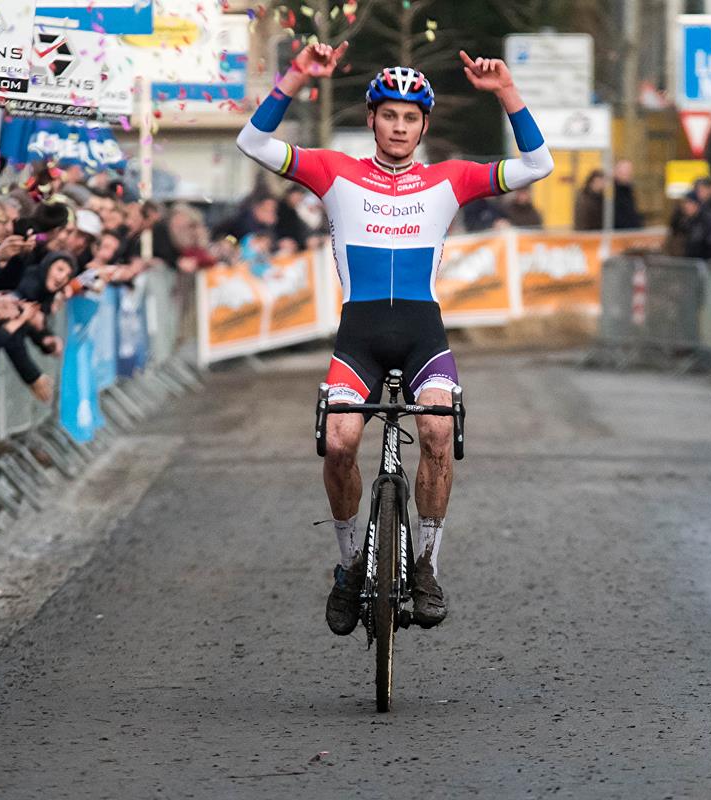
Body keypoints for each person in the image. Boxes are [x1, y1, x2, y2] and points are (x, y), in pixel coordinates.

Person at [236, 42, 553, 634]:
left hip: (421, 335)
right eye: (389, 115)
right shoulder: (335, 171)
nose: (399, 126)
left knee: (436, 430)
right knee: (338, 442)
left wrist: (507, 91)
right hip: (358, 335)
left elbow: (538, 166)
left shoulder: (450, 179)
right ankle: (350, 565)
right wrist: (297, 75)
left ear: (423, 125)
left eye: (411, 117)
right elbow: (251, 143)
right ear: (372, 119)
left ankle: (427, 566)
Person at [612, 159, 643, 229]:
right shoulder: (610, 192)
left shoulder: (628, 189)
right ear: (615, 171)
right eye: (624, 171)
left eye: (629, 170)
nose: (628, 174)